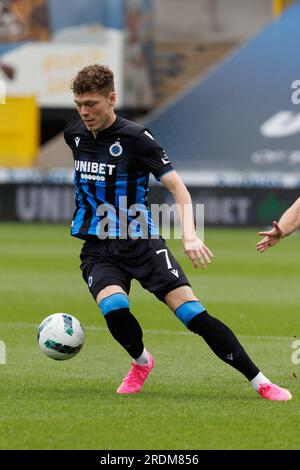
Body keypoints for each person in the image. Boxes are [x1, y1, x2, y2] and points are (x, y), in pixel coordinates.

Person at [64, 64, 291, 401]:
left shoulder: (137, 139)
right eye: (79, 104)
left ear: (112, 99)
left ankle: (261, 381)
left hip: (141, 242)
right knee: (114, 306)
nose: (85, 112)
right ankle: (141, 362)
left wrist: (189, 235)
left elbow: (178, 189)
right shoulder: (75, 135)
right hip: (98, 247)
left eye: (92, 104)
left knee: (192, 315)